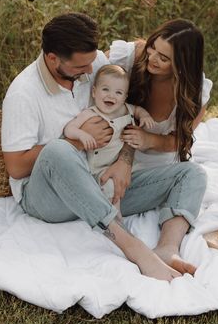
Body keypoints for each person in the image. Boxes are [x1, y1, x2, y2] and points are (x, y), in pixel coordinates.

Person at [1, 12, 207, 282]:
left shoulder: (94, 62)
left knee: (192, 174)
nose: (91, 71)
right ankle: (133, 248)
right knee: (57, 150)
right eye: (81, 67)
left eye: (92, 62)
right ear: (53, 59)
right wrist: (75, 140)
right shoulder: (23, 94)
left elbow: (126, 118)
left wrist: (125, 161)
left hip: (101, 182)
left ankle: (167, 248)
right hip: (49, 198)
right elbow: (16, 168)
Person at [107, 19, 213, 171]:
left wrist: (148, 139)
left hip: (156, 161)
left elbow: (181, 141)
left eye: (163, 58)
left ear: (182, 65)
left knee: (195, 175)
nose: (151, 58)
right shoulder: (130, 56)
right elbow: (90, 69)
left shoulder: (194, 92)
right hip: (111, 151)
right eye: (152, 48)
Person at [63, 64, 155, 214]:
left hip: (122, 165)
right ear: (94, 92)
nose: (111, 96)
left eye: (118, 92)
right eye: (105, 89)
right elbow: (69, 129)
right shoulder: (91, 113)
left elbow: (138, 110)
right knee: (110, 186)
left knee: (140, 174)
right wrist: (82, 135)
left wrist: (145, 116)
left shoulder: (126, 109)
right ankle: (114, 216)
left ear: (125, 97)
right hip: (99, 170)